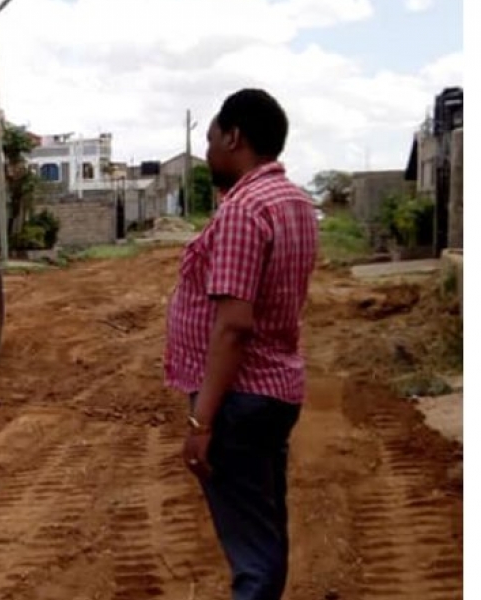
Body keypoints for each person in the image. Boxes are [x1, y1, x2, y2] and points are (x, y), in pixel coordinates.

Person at [164, 88, 319, 600]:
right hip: (277, 391)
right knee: (266, 537)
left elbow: (233, 325)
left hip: (240, 398)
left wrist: (200, 421)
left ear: (234, 137)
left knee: (252, 560)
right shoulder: (295, 202)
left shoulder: (243, 209)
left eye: (209, 140)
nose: (207, 153)